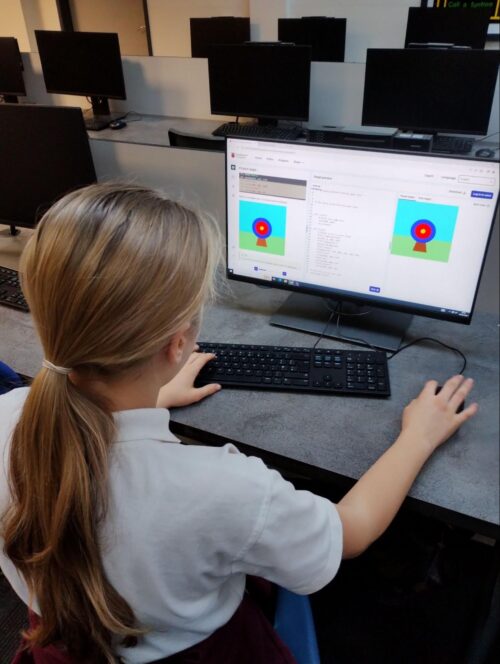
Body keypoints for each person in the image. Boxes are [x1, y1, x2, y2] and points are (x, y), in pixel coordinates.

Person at [0, 183, 477, 664]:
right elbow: (350, 532)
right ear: (177, 344)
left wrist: (155, 393)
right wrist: (417, 436)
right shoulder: (222, 488)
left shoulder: (9, 417)